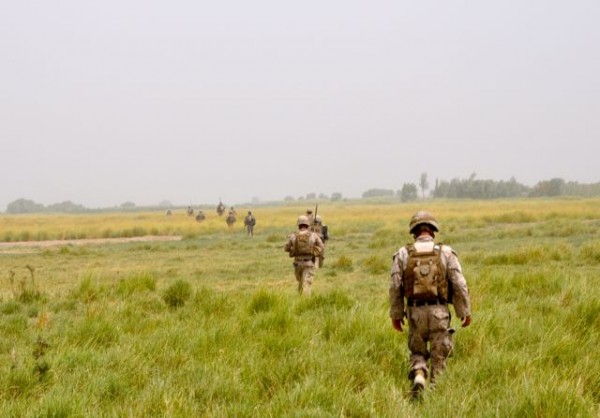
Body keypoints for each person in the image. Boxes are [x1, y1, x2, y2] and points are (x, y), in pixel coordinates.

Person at [389, 211, 472, 395]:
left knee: (417, 351)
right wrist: (464, 311)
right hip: (440, 313)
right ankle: (436, 393)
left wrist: (396, 315)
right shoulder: (446, 252)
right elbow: (459, 283)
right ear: (433, 231)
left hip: (415, 313)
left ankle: (419, 372)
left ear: (414, 232)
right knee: (440, 355)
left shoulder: (403, 254)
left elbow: (395, 286)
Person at [284, 215, 325, 296]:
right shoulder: (313, 235)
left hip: (297, 264)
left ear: (298, 225)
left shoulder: (293, 236)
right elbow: (322, 247)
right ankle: (306, 304)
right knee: (307, 284)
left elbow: (286, 248)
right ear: (308, 225)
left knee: (300, 283)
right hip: (309, 264)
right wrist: (314, 250)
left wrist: (293, 248)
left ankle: (300, 300)